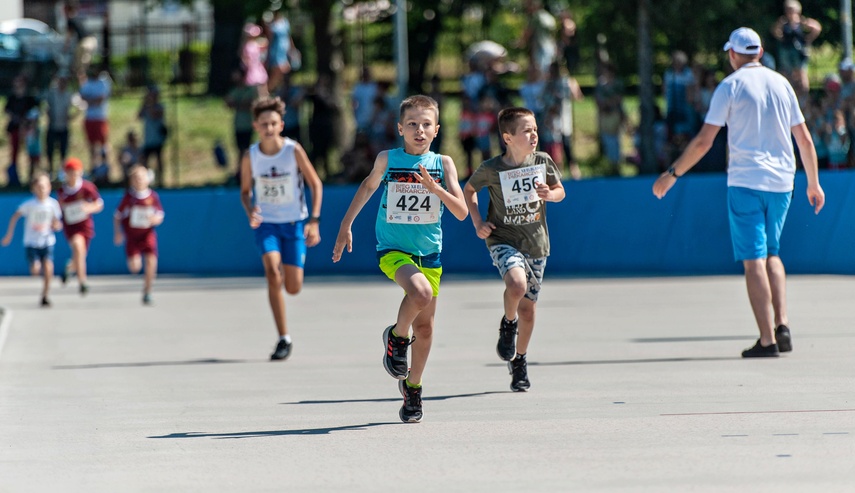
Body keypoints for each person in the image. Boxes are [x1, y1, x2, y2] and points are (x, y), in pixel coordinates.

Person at [653, 27, 825, 358]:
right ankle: (783, 322)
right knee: (773, 253)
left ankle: (766, 339)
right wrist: (813, 182)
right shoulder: (781, 83)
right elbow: (804, 139)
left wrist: (673, 173)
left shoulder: (729, 86)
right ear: (759, 52)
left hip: (746, 182)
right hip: (782, 183)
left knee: (753, 261)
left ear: (733, 55)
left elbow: (704, 141)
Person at [332, 95, 468, 423]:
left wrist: (435, 188)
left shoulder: (444, 163)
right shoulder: (388, 160)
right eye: (412, 124)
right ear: (400, 128)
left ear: (436, 129)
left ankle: (414, 388)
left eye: (425, 125)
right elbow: (366, 188)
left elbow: (462, 212)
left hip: (430, 254)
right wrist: (345, 225)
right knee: (418, 293)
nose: (419, 130)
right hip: (393, 249)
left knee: (427, 327)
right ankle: (395, 337)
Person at [463, 107, 565, 391]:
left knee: (529, 311)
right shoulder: (492, 169)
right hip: (502, 238)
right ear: (507, 137)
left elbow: (560, 190)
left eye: (535, 129)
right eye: (526, 131)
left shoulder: (542, 161)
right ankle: (508, 324)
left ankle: (519, 361)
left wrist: (550, 195)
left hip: (536, 243)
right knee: (516, 285)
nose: (533, 135)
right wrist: (478, 222)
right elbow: (469, 190)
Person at [239, 96, 323, 361]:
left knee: (293, 286)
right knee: (273, 273)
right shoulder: (251, 156)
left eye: (273, 123)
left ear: (281, 124)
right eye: (264, 124)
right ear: (256, 126)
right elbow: (244, 191)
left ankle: (292, 276)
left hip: (294, 223)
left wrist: (314, 221)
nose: (269, 128)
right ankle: (283, 337)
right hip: (267, 226)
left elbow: (315, 184)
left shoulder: (292, 150)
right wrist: (250, 209)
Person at [1, 173, 63, 307]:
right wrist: (9, 235)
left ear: (49, 187)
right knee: (35, 269)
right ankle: (36, 266)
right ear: (34, 188)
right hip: (32, 242)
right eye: (39, 186)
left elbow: (57, 222)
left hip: (47, 241)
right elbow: (15, 217)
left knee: (48, 268)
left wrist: (56, 226)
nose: (42, 189)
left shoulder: (53, 204)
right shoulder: (29, 204)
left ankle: (45, 295)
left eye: (45, 186)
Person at [114, 165, 165, 305]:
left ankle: (147, 291)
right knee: (135, 267)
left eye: (142, 177)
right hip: (132, 236)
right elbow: (117, 216)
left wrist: (155, 219)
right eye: (136, 178)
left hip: (147, 234)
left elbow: (160, 215)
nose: (139, 180)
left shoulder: (153, 196)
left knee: (151, 261)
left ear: (148, 179)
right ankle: (136, 265)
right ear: (132, 181)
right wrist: (118, 233)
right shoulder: (129, 197)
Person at [57, 157, 104, 295]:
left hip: (85, 226)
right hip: (71, 226)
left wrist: (89, 208)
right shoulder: (62, 191)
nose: (73, 175)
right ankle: (82, 281)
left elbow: (99, 204)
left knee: (80, 254)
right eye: (70, 172)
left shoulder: (87, 187)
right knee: (78, 247)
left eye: (75, 171)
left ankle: (70, 268)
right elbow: (59, 207)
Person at [771, 0, 821, 96]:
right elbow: (776, 34)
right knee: (785, 73)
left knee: (801, 74)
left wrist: (808, 39)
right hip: (786, 51)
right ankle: (786, 94)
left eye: (791, 10)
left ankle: (804, 97)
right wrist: (779, 25)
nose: (789, 12)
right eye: (787, 10)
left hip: (799, 52)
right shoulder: (783, 23)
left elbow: (817, 28)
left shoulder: (802, 23)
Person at [225, 66, 262, 184]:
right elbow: (228, 103)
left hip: (247, 126)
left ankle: (248, 174)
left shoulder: (250, 90)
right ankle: (240, 174)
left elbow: (251, 104)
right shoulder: (235, 90)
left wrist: (238, 104)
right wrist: (240, 104)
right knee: (239, 151)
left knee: (247, 151)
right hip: (238, 126)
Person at [4, 75, 39, 186]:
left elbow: (35, 114)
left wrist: (26, 125)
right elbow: (7, 111)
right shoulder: (12, 98)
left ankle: (31, 176)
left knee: (31, 153)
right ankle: (14, 177)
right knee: (14, 153)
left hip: (28, 130)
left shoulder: (30, 99)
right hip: (15, 130)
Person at [78, 67, 112, 178]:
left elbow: (100, 100)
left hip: (100, 118)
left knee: (103, 144)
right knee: (92, 145)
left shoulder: (103, 82)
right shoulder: (87, 83)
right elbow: (83, 97)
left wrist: (90, 100)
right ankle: (94, 167)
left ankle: (105, 167)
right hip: (90, 118)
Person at [44, 73, 80, 177]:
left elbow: (80, 106)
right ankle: (51, 171)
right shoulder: (51, 93)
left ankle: (62, 172)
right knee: (50, 150)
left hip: (64, 127)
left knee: (63, 151)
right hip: (52, 126)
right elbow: (46, 106)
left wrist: (71, 117)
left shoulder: (69, 95)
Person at [138, 85, 167, 185]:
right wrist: (144, 103)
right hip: (147, 140)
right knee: (145, 162)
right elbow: (139, 116)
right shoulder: (145, 106)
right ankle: (146, 181)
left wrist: (149, 104)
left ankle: (160, 181)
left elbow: (153, 115)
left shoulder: (159, 107)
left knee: (158, 161)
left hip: (157, 139)